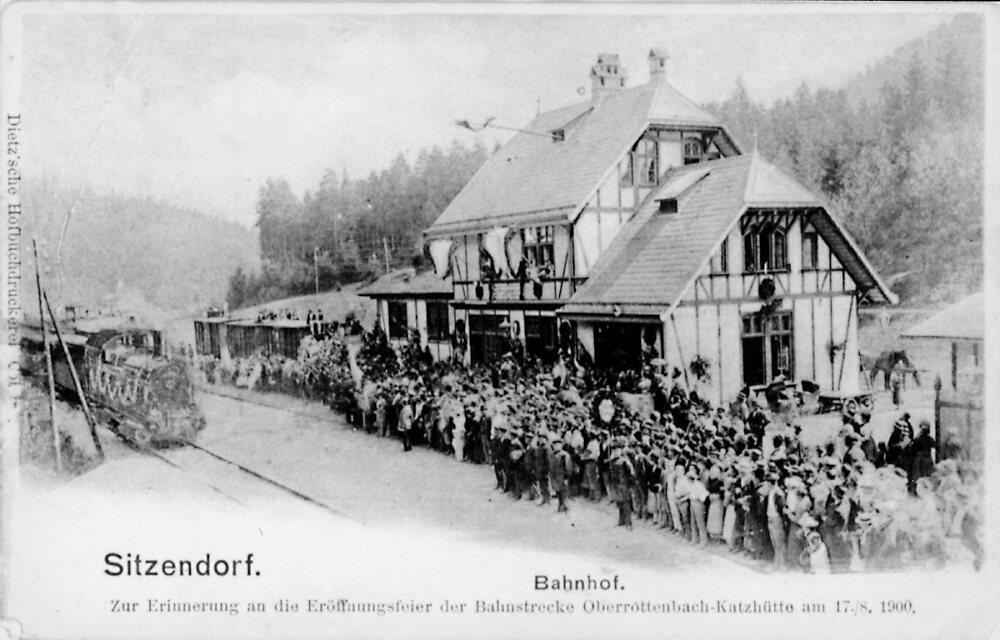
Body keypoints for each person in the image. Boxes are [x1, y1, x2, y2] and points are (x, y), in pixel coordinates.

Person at [549, 435, 572, 513]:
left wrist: (566, 478)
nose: (556, 446)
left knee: (563, 493)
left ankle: (565, 508)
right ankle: (561, 507)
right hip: (555, 477)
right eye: (555, 445)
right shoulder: (552, 455)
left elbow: (568, 467)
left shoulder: (565, 454)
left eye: (558, 445)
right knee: (558, 493)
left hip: (562, 477)